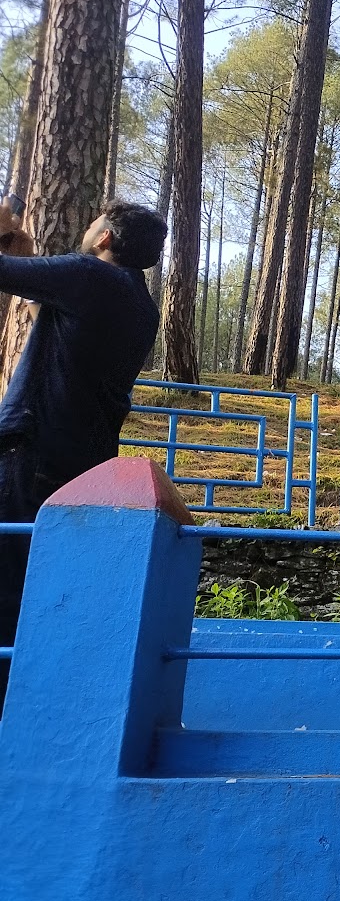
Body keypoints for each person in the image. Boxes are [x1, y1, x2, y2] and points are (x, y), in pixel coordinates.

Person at [0, 197, 165, 662]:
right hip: (85, 463)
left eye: (94, 226)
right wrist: (29, 258)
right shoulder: (140, 306)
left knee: (9, 581)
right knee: (45, 580)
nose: (88, 232)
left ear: (106, 237)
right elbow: (49, 315)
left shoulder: (89, 275)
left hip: (32, 449)